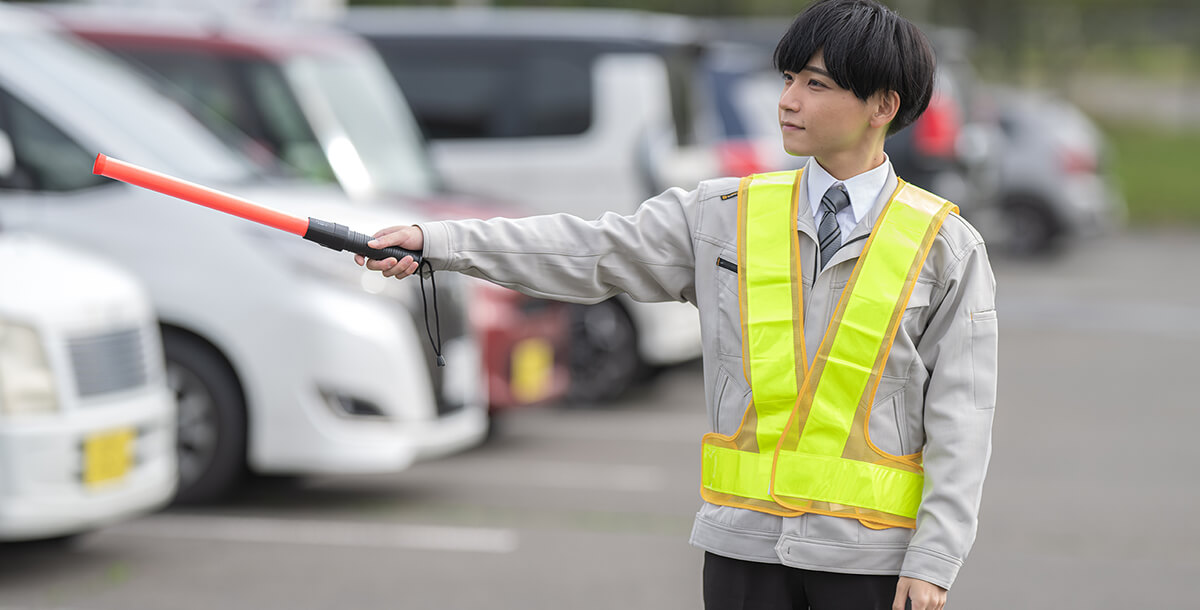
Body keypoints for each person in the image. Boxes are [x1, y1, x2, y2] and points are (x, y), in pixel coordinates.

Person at [355, 1, 997, 608]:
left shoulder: (946, 247)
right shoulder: (722, 215)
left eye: (817, 85)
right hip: (742, 556)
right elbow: (587, 249)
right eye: (789, 77)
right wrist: (437, 242)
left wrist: (933, 559)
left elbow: (962, 415)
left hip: (872, 565)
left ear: (883, 105)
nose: (788, 100)